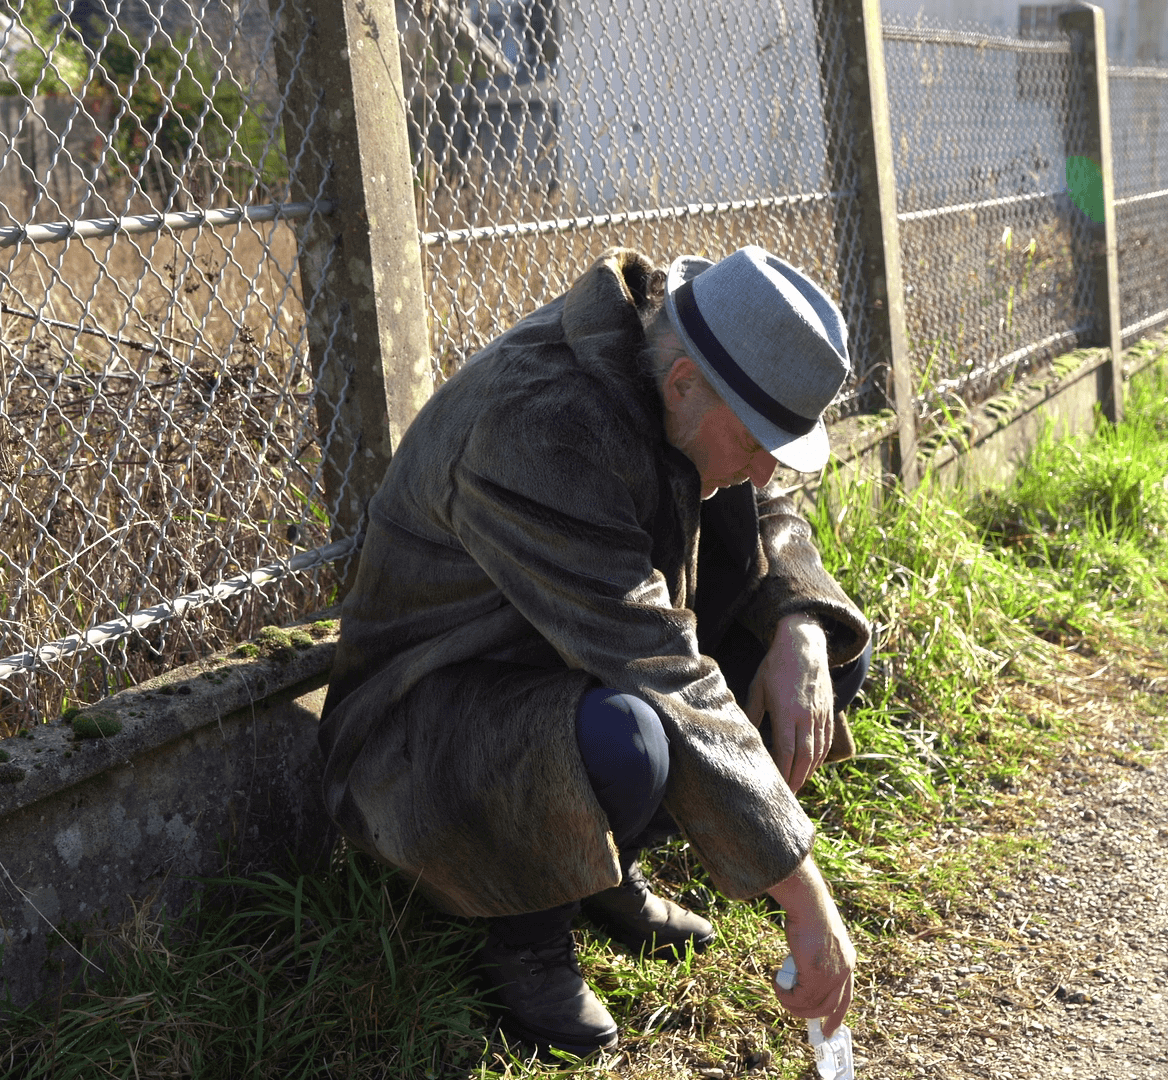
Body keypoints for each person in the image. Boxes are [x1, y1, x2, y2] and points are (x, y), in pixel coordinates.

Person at [317, 245, 874, 1056]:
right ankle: (524, 936)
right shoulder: (539, 423)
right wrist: (802, 889)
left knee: (821, 657)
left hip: (564, 672)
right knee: (633, 734)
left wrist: (798, 629)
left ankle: (599, 872)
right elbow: (652, 662)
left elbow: (769, 506)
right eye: (758, 443)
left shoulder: (676, 368)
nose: (765, 471)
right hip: (427, 731)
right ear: (682, 384)